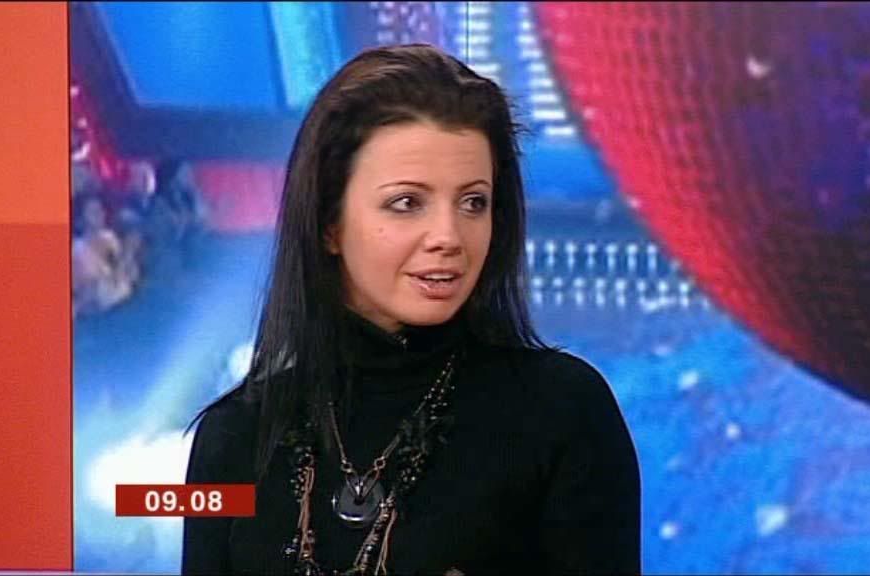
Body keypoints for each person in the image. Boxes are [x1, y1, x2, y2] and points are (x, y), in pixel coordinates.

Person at [182, 44, 640, 575]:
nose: (449, 236)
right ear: (330, 224)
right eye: (407, 203)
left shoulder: (563, 412)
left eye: (473, 202)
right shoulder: (232, 438)